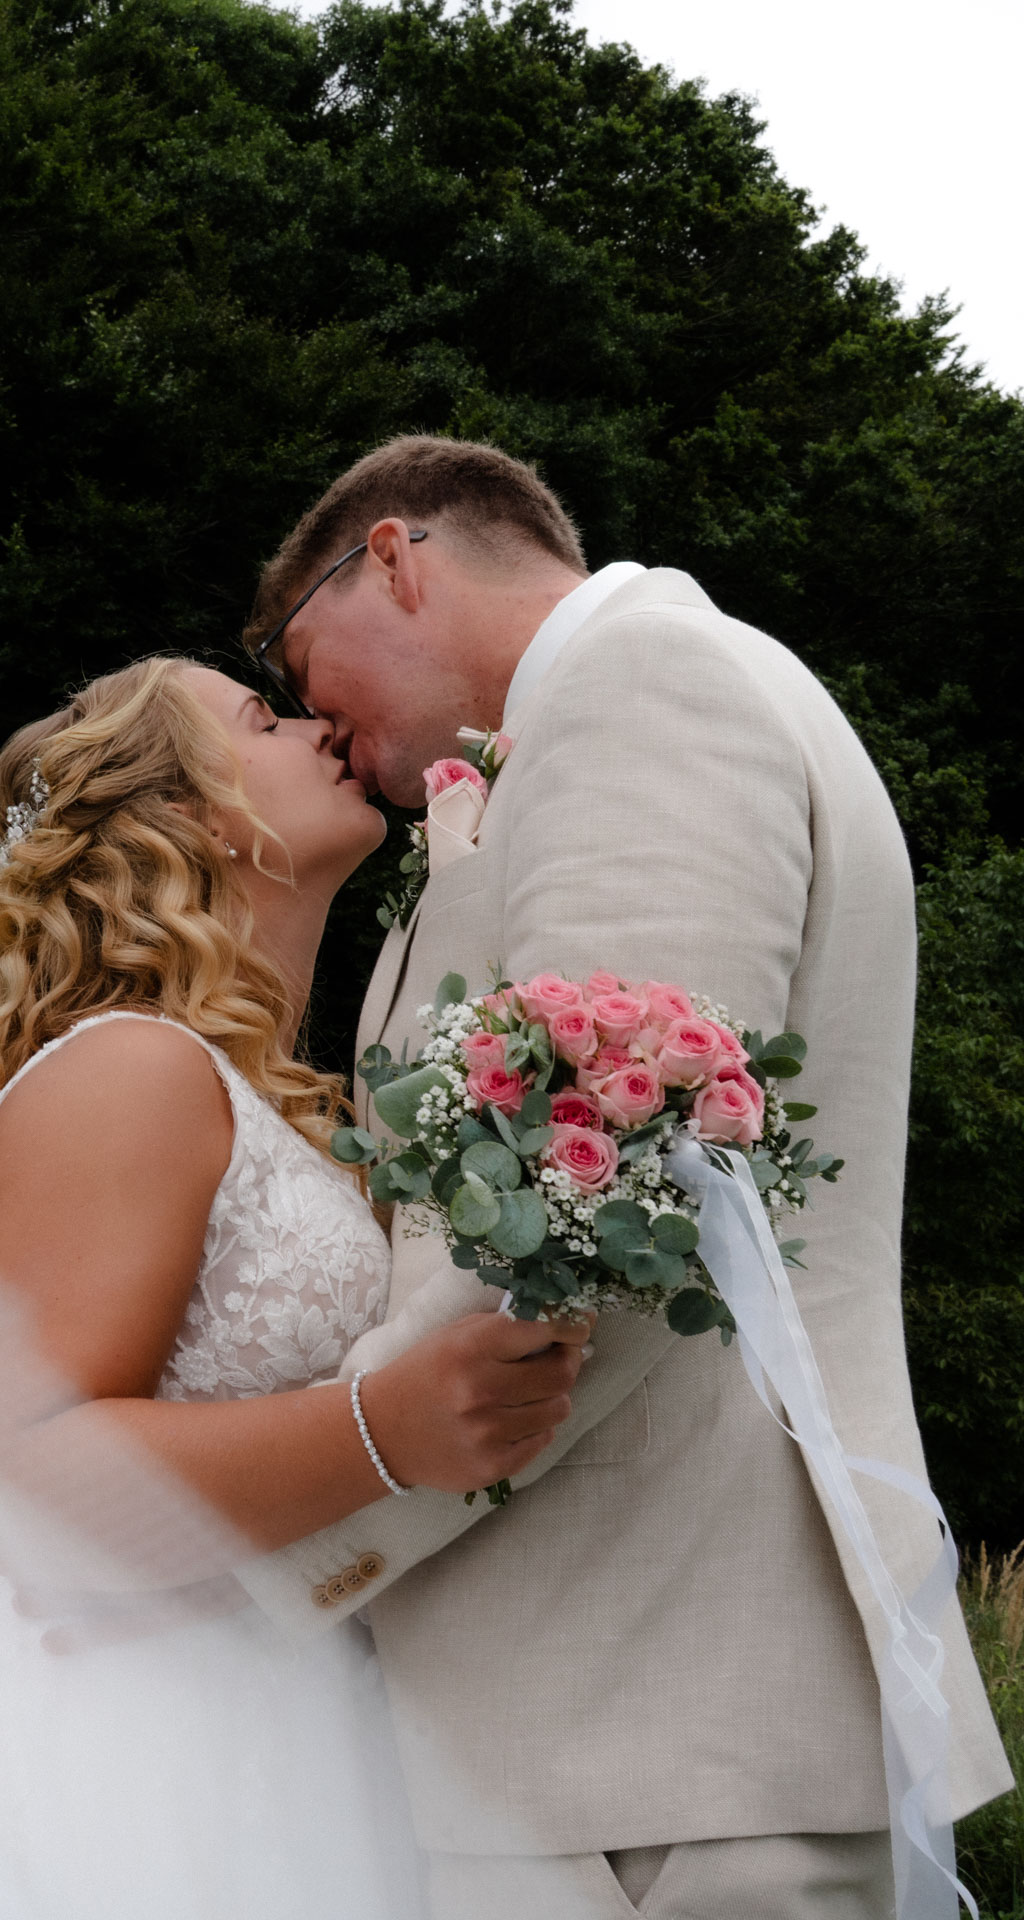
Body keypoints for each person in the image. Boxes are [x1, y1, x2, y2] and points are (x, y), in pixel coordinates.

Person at [237, 435, 1013, 1920]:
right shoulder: (642, 703)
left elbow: (603, 1225)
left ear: (392, 557)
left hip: (651, 1726)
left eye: (303, 659)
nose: (314, 718)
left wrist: (293, 1560)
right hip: (618, 1733)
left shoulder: (641, 691)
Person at [0, 654, 593, 1917]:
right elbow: (20, 1485)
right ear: (186, 812)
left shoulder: (294, 1109)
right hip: (128, 1765)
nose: (315, 729)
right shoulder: (124, 1072)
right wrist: (386, 1431)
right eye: (262, 717)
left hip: (293, 1727)